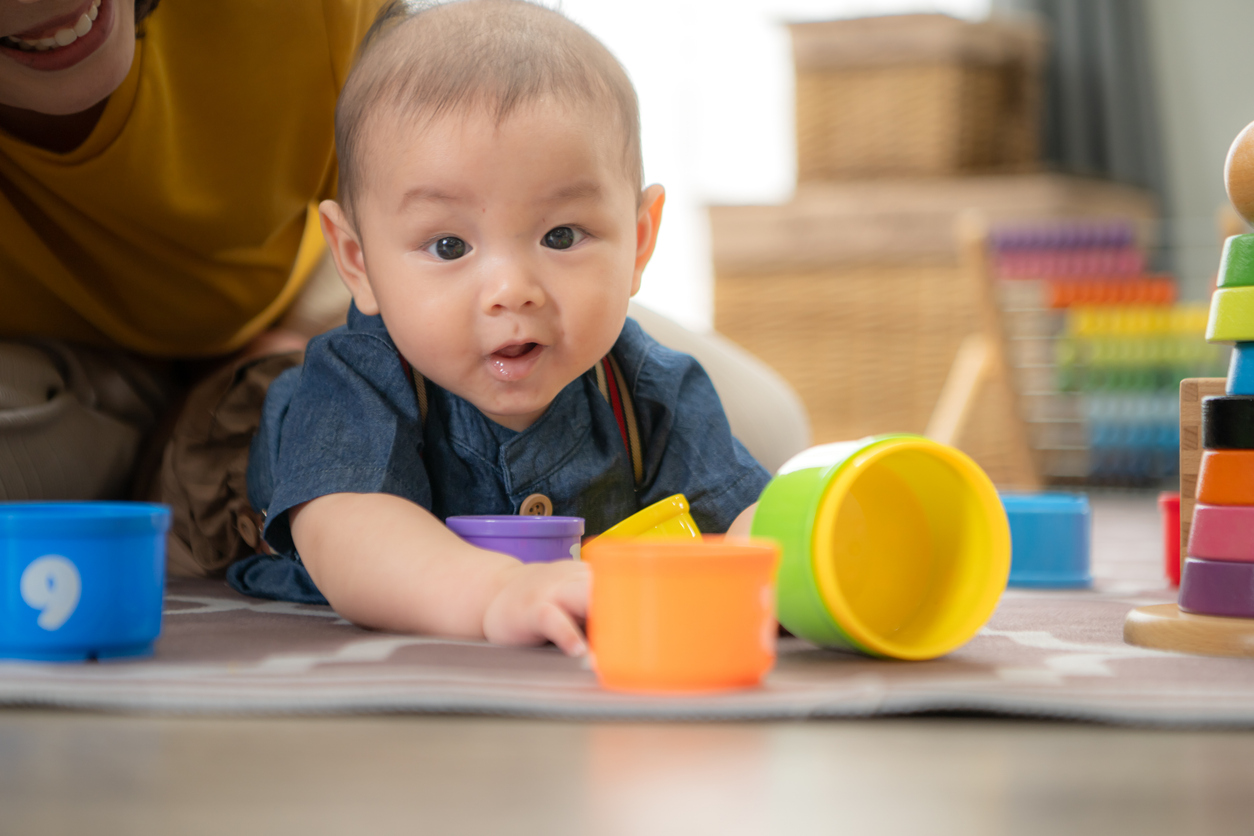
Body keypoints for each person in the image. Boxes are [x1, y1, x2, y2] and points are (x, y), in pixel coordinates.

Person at [240, 0, 772, 656]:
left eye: (560, 235)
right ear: (359, 262)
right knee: (220, 440)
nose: (510, 290)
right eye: (448, 247)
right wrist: (495, 593)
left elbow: (742, 519)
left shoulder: (652, 392)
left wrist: (793, 554)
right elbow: (345, 528)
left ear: (638, 242)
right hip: (225, 481)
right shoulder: (363, 376)